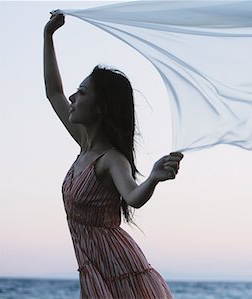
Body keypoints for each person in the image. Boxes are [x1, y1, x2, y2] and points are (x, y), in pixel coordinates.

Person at [44, 11, 181, 298]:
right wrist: (48, 36)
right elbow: (54, 92)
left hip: (118, 269)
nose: (72, 98)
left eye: (81, 93)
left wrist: (154, 178)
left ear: (100, 107)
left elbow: (133, 196)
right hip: (93, 269)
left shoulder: (111, 159)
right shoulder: (84, 145)